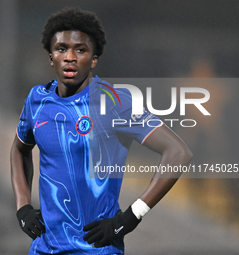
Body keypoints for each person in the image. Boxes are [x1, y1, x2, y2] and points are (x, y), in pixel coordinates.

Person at [10, 7, 192, 255]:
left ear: (94, 59)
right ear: (51, 57)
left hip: (97, 250)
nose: (70, 57)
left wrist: (131, 216)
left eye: (81, 50)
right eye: (62, 48)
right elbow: (19, 150)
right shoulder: (37, 100)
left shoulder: (115, 101)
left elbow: (178, 152)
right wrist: (23, 207)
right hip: (45, 249)